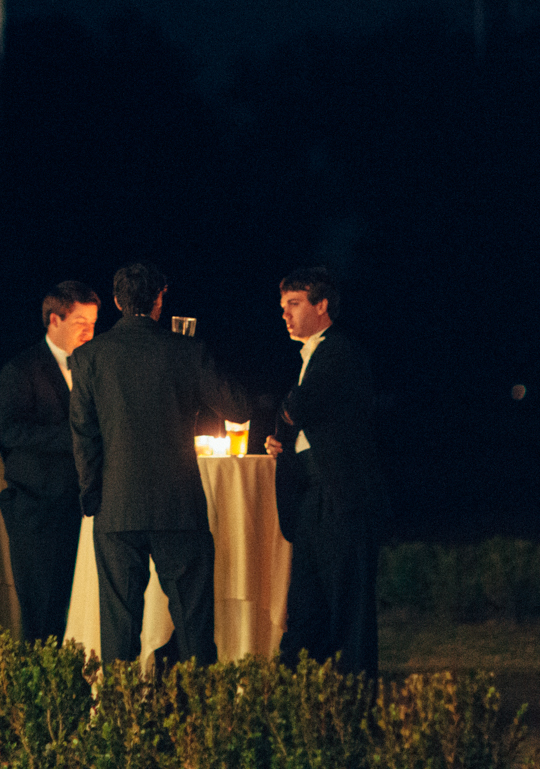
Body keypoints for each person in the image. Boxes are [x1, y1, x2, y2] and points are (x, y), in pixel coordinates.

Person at [69, 261, 248, 665]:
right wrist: (197, 363)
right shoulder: (186, 350)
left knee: (118, 628)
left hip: (116, 506)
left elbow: (83, 435)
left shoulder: (89, 357)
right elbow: (238, 407)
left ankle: (122, 718)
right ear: (161, 301)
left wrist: (92, 495)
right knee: (193, 625)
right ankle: (198, 716)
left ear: (116, 301)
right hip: (178, 505)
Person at [265, 266, 386, 675]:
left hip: (342, 497)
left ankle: (353, 701)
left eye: (294, 304)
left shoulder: (338, 351)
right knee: (306, 605)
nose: (285, 314)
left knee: (347, 607)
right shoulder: (312, 355)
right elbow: (296, 414)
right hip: (314, 498)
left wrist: (285, 423)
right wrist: (285, 442)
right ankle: (306, 698)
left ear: (322, 305)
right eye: (283, 307)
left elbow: (297, 406)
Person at [0, 281, 100, 644]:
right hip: (39, 509)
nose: (89, 332)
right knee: (42, 614)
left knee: (81, 610)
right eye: (80, 323)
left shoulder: (95, 370)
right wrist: (78, 436)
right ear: (53, 320)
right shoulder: (21, 369)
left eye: (93, 323)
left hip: (84, 508)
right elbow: (11, 432)